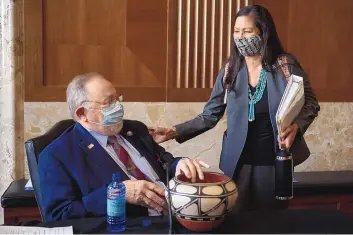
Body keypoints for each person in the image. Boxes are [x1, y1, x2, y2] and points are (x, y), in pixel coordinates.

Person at [148, 5, 320, 211]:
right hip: (237, 165)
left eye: (247, 31)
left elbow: (310, 102)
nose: (240, 37)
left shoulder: (285, 65)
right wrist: (173, 131)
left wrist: (297, 127)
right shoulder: (230, 68)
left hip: (273, 163)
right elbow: (210, 115)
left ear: (263, 32)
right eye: (236, 31)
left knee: (272, 223)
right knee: (235, 220)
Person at [38, 73, 206, 221]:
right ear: (82, 114)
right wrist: (117, 193)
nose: (118, 107)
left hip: (178, 216)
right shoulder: (57, 155)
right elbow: (58, 215)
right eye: (108, 102)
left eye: (117, 98)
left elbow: (165, 162)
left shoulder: (135, 129)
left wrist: (181, 165)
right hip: (136, 227)